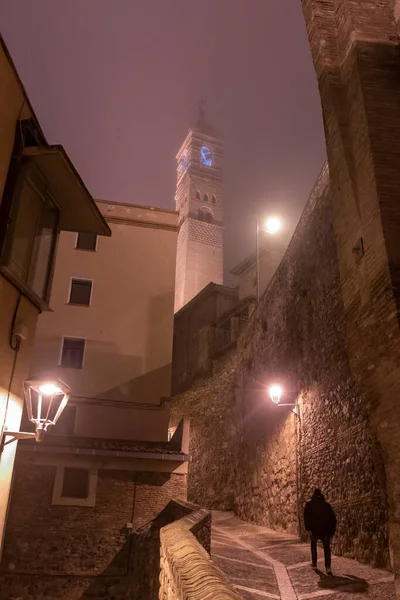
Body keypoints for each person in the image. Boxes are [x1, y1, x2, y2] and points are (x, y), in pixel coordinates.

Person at [304, 488, 336, 575]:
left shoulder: (309, 505)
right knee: (327, 549)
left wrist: (308, 529)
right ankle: (328, 567)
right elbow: (333, 519)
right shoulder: (327, 505)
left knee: (313, 546)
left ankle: (314, 564)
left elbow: (306, 517)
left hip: (314, 530)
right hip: (325, 530)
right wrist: (332, 532)